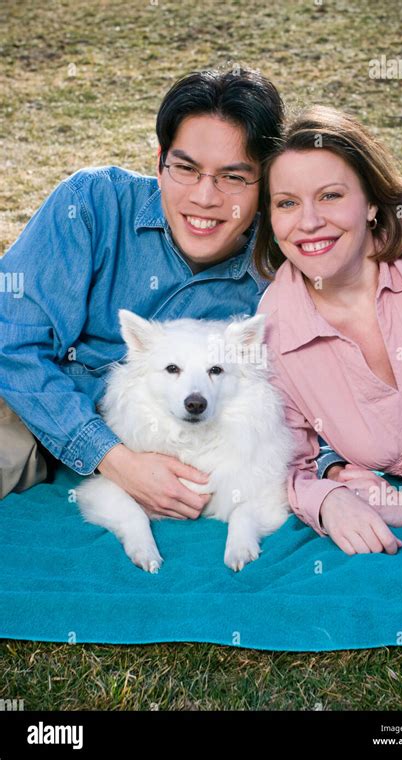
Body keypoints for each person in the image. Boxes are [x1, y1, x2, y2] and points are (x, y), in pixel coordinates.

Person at [0, 68, 290, 515]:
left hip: (190, 444)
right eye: (186, 168)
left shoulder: (278, 274)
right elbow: (12, 341)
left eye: (233, 178)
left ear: (265, 181)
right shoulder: (92, 204)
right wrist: (114, 459)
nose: (205, 197)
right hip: (29, 403)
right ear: (159, 161)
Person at [254, 105, 402, 555]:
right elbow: (285, 461)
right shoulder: (273, 329)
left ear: (372, 202)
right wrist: (328, 499)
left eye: (331, 196)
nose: (309, 221)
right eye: (287, 203)